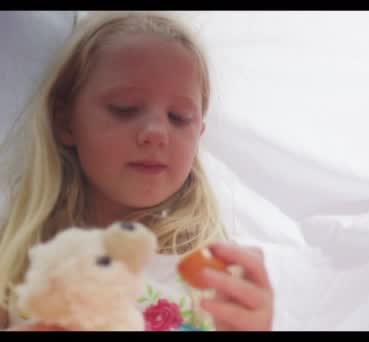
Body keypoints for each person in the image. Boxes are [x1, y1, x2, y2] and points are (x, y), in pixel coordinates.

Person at [0, 11, 273, 331]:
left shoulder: (219, 274)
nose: (156, 132)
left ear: (199, 132)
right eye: (125, 108)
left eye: (179, 116)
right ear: (64, 121)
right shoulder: (13, 257)